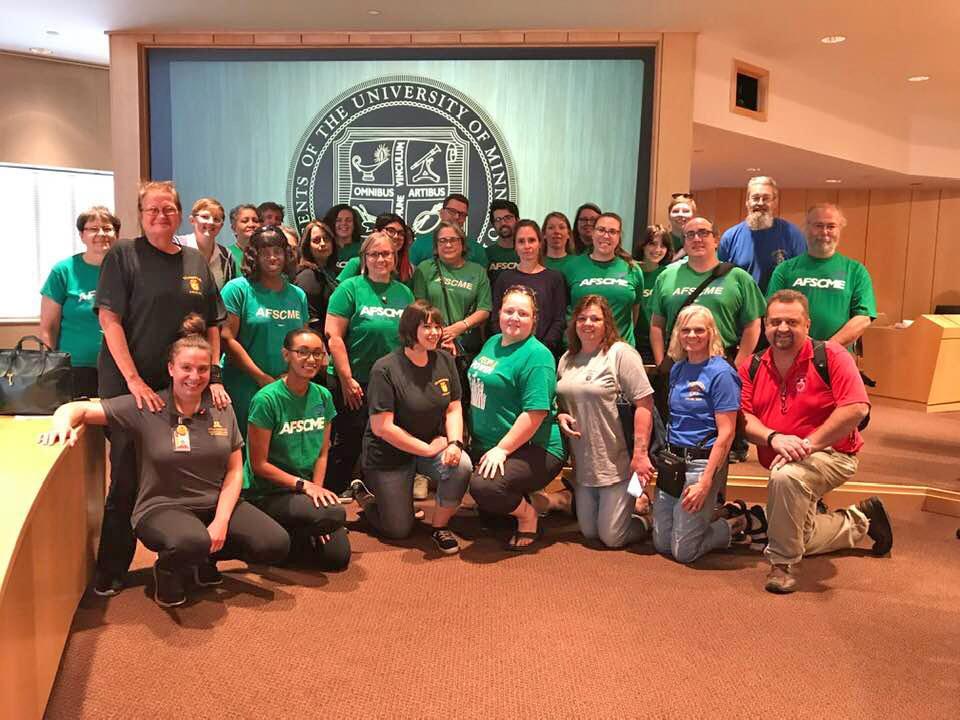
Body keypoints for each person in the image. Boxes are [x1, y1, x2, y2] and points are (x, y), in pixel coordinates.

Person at [39, 315, 289, 607]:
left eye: (202, 369)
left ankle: (202, 557)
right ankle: (169, 568)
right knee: (190, 541)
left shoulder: (222, 406)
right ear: (171, 369)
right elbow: (78, 408)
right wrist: (61, 423)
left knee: (274, 543)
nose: (194, 376)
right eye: (186, 368)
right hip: (162, 506)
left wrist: (221, 521)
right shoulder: (148, 405)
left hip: (212, 504)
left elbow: (235, 471)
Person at [93, 180, 228, 597]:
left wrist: (214, 377)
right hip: (129, 384)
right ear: (140, 214)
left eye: (168, 209)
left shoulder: (193, 260)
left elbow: (212, 324)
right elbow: (109, 321)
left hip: (184, 384)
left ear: (178, 213)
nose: (160, 216)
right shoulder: (123, 256)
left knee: (193, 468)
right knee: (129, 476)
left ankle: (191, 557)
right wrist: (134, 382)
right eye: (152, 209)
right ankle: (113, 568)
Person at [739, 290, 892, 594]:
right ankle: (860, 520)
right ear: (765, 325)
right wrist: (773, 437)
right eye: (775, 322)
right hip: (784, 456)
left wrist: (808, 444)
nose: (782, 329)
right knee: (799, 533)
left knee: (786, 478)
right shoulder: (752, 366)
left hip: (833, 454)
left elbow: (857, 407)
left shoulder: (832, 356)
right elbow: (743, 418)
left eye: (792, 322)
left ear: (807, 324)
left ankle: (782, 565)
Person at [350, 301, 473, 554]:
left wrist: (455, 443)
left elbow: (453, 407)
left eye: (437, 326)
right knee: (399, 530)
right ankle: (366, 496)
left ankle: (439, 527)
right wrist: (427, 450)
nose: (434, 332)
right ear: (409, 328)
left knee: (461, 465)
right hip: (389, 454)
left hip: (431, 445)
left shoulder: (445, 360)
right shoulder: (385, 368)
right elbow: (382, 427)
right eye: (426, 326)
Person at [653, 305, 762, 564]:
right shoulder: (678, 369)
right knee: (662, 543)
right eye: (686, 330)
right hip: (674, 462)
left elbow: (727, 433)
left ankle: (733, 524)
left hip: (702, 463)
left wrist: (704, 482)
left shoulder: (722, 373)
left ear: (711, 333)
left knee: (684, 551)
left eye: (699, 330)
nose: (692, 335)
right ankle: (701, 520)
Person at [467, 286, 565, 551]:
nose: (514, 318)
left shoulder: (537, 356)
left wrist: (502, 449)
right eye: (509, 311)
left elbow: (535, 414)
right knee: (487, 507)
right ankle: (542, 500)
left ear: (534, 319)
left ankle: (528, 517)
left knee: (486, 488)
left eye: (523, 313)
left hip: (535, 447)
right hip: (491, 444)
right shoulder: (492, 343)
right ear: (499, 313)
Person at [244, 328, 351, 569]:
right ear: (286, 355)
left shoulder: (323, 395)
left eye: (317, 353)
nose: (311, 360)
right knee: (332, 515)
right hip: (269, 492)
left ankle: (300, 530)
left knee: (337, 557)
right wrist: (304, 488)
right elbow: (259, 465)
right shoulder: (266, 399)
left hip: (305, 490)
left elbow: (323, 453)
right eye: (302, 352)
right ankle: (280, 530)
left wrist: (316, 492)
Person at [555, 295, 655, 547]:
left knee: (611, 537)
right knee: (589, 533)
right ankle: (631, 503)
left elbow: (645, 404)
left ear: (606, 323)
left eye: (595, 319)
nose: (587, 323)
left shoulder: (620, 354)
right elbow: (561, 401)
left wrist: (640, 454)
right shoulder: (567, 358)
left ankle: (648, 521)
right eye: (582, 318)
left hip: (618, 462)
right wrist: (559, 414)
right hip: (584, 464)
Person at [325, 231, 415, 495]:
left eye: (386, 253)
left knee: (381, 438)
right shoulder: (350, 288)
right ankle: (334, 490)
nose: (381, 259)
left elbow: (409, 339)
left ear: (395, 257)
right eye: (374, 254)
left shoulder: (404, 293)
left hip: (388, 380)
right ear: (364, 258)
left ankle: (372, 490)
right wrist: (346, 379)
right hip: (352, 377)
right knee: (348, 438)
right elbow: (334, 337)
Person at [220, 225, 307, 439]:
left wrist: (292, 376)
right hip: (244, 387)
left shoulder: (297, 295)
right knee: (245, 453)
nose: (272, 258)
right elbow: (226, 338)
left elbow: (301, 341)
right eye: (265, 252)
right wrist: (261, 378)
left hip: (286, 385)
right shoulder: (237, 289)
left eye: (277, 251)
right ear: (253, 256)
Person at [649, 217, 765, 373]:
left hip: (722, 362)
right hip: (677, 364)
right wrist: (661, 365)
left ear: (716, 240)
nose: (696, 239)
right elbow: (657, 324)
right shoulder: (667, 276)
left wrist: (737, 367)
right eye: (690, 234)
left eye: (703, 233)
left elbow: (753, 325)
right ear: (684, 243)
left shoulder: (738, 277)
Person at [766, 203, 877, 351]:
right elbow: (772, 312)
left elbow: (863, 318)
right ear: (807, 228)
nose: (824, 232)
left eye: (831, 226)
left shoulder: (856, 271)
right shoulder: (785, 270)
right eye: (818, 225)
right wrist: (803, 345)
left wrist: (825, 348)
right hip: (791, 354)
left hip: (837, 356)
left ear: (840, 229)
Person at [40, 206, 120, 399]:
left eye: (107, 228)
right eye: (93, 229)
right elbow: (48, 328)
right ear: (82, 235)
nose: (101, 234)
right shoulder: (64, 271)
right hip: (74, 368)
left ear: (116, 234)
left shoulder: (126, 270)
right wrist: (52, 369)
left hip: (118, 367)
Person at [412, 220, 491, 363]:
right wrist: (441, 332)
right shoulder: (425, 268)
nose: (448, 245)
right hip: (433, 341)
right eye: (442, 240)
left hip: (466, 345)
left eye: (453, 240)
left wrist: (460, 327)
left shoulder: (478, 271)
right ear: (436, 245)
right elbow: (420, 306)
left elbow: (484, 309)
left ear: (462, 243)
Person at [563, 212, 645, 347]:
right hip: (582, 349)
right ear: (593, 233)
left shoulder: (633, 269)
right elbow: (566, 311)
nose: (606, 236)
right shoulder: (572, 267)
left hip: (621, 350)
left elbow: (634, 311)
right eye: (601, 230)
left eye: (612, 231)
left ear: (619, 237)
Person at [491, 220, 566, 356]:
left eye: (531, 240)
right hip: (508, 353)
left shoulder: (555, 278)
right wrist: (509, 345)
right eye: (521, 241)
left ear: (540, 243)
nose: (527, 246)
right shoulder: (504, 278)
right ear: (515, 246)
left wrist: (540, 350)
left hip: (543, 352)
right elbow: (496, 318)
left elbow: (559, 320)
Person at [719, 176, 806, 292]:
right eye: (755, 198)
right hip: (741, 307)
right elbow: (720, 279)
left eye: (766, 198)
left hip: (779, 306)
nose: (760, 203)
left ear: (775, 202)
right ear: (747, 202)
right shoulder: (730, 237)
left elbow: (802, 275)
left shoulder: (792, 234)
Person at [294, 220, 339, 363]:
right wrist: (322, 354)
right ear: (307, 246)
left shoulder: (329, 272)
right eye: (316, 240)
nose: (322, 244)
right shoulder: (308, 276)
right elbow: (311, 320)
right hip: (318, 352)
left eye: (326, 239)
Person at [408, 193, 485, 267]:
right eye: (452, 211)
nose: (456, 217)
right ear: (441, 212)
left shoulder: (477, 250)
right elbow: (408, 276)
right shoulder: (420, 244)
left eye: (462, 214)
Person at [176, 197, 237, 289]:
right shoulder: (177, 245)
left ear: (221, 225)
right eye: (205, 217)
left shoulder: (226, 256)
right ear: (192, 220)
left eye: (216, 219)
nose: (211, 222)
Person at [336, 213, 414, 284]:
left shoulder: (408, 269)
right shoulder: (357, 264)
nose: (396, 236)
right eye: (391, 231)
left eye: (401, 233)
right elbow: (338, 294)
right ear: (375, 232)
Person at [634, 224, 672, 363]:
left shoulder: (668, 274)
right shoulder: (631, 271)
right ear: (643, 245)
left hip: (662, 343)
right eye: (652, 244)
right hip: (634, 342)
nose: (657, 250)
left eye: (663, 246)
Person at [484, 199, 520, 286]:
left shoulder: (527, 252)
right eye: (498, 219)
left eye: (508, 218)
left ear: (517, 220)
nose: (503, 223)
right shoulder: (485, 254)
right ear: (493, 225)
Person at [322, 204, 363, 272]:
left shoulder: (363, 248)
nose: (344, 223)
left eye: (348, 220)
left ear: (354, 223)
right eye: (338, 220)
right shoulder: (324, 248)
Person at [227, 203, 262, 271]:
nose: (251, 224)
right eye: (245, 221)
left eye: (255, 221)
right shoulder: (227, 254)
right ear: (234, 228)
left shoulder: (266, 253)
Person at [542, 211, 576, 275]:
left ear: (568, 233)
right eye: (551, 228)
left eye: (561, 227)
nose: (557, 231)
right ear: (544, 234)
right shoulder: (537, 262)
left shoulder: (577, 262)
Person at [666, 193, 697, 258]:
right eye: (676, 211)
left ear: (693, 216)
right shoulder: (662, 241)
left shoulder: (700, 241)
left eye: (686, 211)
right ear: (669, 216)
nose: (680, 214)